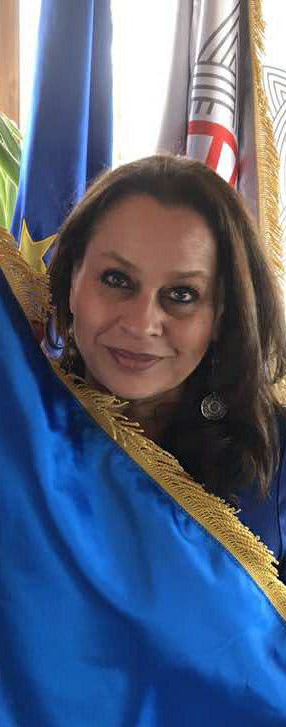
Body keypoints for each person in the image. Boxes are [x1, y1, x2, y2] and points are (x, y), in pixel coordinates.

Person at [47, 154, 286, 577]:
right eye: (116, 280)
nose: (141, 324)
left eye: (181, 295)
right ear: (71, 282)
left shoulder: (277, 457)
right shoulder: (12, 423)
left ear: (221, 315)